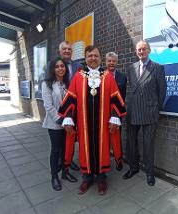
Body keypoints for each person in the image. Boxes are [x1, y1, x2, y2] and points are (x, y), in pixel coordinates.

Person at [58, 45, 126, 195]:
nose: (93, 58)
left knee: (102, 149)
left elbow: (116, 97)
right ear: (86, 58)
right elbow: (71, 98)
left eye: (95, 55)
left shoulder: (107, 76)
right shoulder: (78, 76)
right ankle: (87, 178)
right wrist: (68, 117)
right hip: (84, 125)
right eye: (90, 56)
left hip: (102, 124)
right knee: (85, 149)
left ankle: (101, 179)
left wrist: (115, 115)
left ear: (100, 58)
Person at [122, 40, 167, 186]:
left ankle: (149, 173)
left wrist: (156, 109)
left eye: (144, 49)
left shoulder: (157, 68)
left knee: (148, 145)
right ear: (136, 52)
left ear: (149, 50)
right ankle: (133, 168)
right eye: (139, 50)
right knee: (131, 142)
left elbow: (162, 92)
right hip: (133, 111)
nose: (141, 52)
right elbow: (133, 89)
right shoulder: (131, 68)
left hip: (150, 112)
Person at [42, 57, 78, 191]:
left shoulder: (69, 83)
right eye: (57, 66)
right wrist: (62, 120)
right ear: (53, 69)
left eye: (62, 66)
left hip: (69, 123)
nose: (60, 68)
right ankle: (54, 176)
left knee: (66, 149)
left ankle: (65, 173)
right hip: (55, 124)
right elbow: (48, 106)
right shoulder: (47, 84)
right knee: (56, 150)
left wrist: (70, 119)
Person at [59, 41, 82, 170]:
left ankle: (69, 160)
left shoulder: (78, 66)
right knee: (59, 140)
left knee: (71, 136)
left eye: (69, 49)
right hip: (60, 108)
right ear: (60, 51)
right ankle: (59, 164)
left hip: (74, 109)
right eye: (64, 49)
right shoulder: (55, 65)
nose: (67, 51)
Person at [105, 52, 127, 159]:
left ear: (117, 62)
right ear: (106, 62)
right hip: (103, 112)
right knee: (104, 137)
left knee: (117, 137)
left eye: (113, 61)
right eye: (109, 61)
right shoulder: (100, 76)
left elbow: (123, 97)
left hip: (117, 112)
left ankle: (119, 159)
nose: (111, 63)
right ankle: (105, 157)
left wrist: (119, 114)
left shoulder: (122, 77)